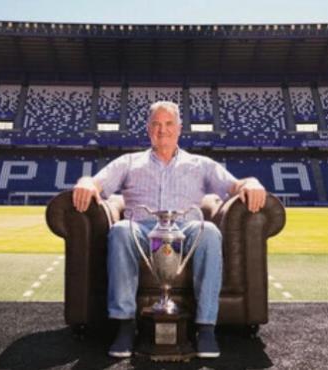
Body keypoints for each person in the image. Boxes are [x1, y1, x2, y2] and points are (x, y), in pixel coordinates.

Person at [72, 100, 266, 358]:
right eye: (156, 124)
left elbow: (234, 186)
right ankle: (125, 326)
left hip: (185, 231)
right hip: (140, 230)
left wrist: (251, 183)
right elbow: (96, 183)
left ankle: (206, 328)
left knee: (209, 231)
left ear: (179, 128)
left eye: (168, 124)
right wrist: (86, 183)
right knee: (119, 231)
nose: (162, 130)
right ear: (148, 129)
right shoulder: (128, 162)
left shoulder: (201, 164)